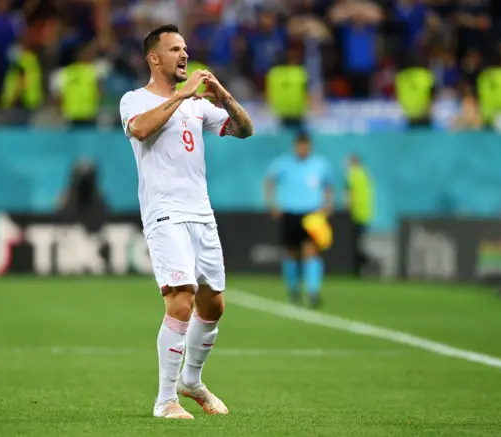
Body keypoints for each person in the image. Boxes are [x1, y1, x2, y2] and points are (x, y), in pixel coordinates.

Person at [119, 24, 253, 420]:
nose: (184, 54)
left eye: (186, 48)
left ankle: (191, 381)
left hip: (201, 213)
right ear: (153, 58)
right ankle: (165, 400)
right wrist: (183, 95)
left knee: (213, 305)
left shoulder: (196, 105)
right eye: (175, 49)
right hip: (164, 213)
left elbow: (245, 130)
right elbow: (141, 130)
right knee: (181, 299)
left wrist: (223, 97)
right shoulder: (134, 100)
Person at [264, 133, 334, 308]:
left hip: (312, 214)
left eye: (305, 145)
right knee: (291, 252)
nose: (303, 148)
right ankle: (293, 289)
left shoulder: (320, 164)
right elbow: (269, 181)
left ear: (310, 146)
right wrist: (272, 203)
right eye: (300, 145)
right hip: (290, 212)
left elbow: (328, 186)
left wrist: (327, 205)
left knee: (312, 251)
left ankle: (313, 291)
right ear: (295, 146)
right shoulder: (284, 163)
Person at [345, 154, 374, 277]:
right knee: (359, 242)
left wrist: (348, 207)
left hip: (356, 213)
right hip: (365, 213)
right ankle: (362, 267)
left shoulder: (353, 174)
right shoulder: (365, 174)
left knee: (354, 244)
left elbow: (350, 193)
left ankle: (363, 265)